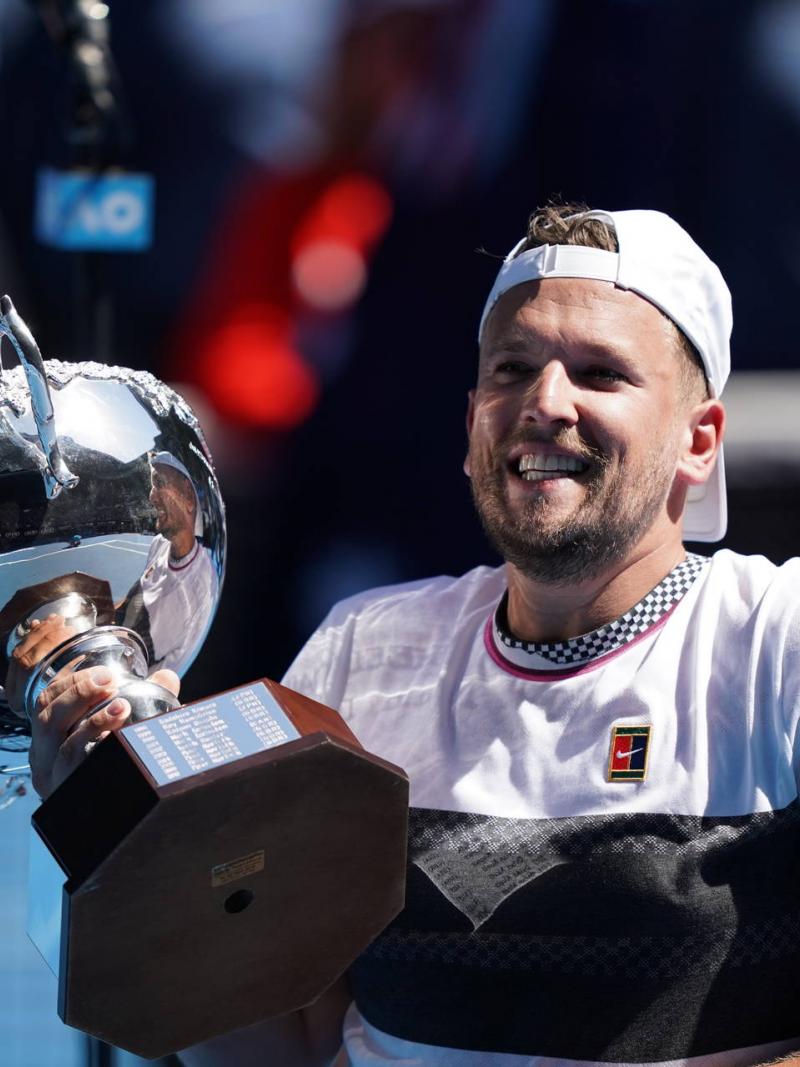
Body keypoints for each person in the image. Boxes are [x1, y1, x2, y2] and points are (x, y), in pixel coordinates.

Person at [15, 203, 800, 1067]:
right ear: (471, 424)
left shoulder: (774, 638)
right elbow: (288, 1044)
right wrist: (132, 831)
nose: (546, 401)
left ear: (700, 440)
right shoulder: (364, 646)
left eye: (600, 373)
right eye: (513, 368)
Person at [117, 450, 219, 672]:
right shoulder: (159, 545)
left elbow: (169, 678)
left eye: (159, 483)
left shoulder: (203, 587)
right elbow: (138, 600)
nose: (152, 497)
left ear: (188, 498)